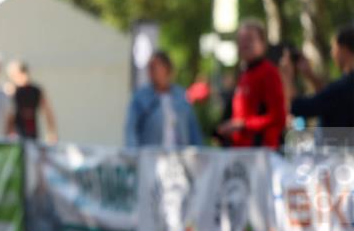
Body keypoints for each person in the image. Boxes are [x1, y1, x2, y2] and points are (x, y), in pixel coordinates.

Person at [216, 20, 286, 148]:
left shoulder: (268, 72)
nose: (244, 44)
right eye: (241, 40)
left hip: (261, 153)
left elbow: (278, 117)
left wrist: (243, 125)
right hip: (241, 152)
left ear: (262, 43)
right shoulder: (244, 73)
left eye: (249, 39)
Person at [124, 51, 203, 147]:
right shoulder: (140, 97)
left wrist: (198, 152)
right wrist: (134, 155)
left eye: (155, 67)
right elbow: (131, 129)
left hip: (179, 156)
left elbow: (193, 129)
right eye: (150, 68)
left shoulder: (181, 96)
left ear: (167, 68)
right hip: (151, 155)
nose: (152, 71)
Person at [286, 24, 354, 134]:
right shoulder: (343, 87)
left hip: (339, 149)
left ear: (344, 49)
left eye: (334, 47)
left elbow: (297, 107)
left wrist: (287, 76)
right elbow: (327, 97)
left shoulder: (343, 87)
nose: (332, 53)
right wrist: (309, 74)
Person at [5, 60, 58, 143]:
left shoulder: (36, 91)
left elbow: (47, 112)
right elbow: (7, 116)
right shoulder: (10, 91)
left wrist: (51, 132)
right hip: (15, 136)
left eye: (24, 71)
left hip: (32, 134)